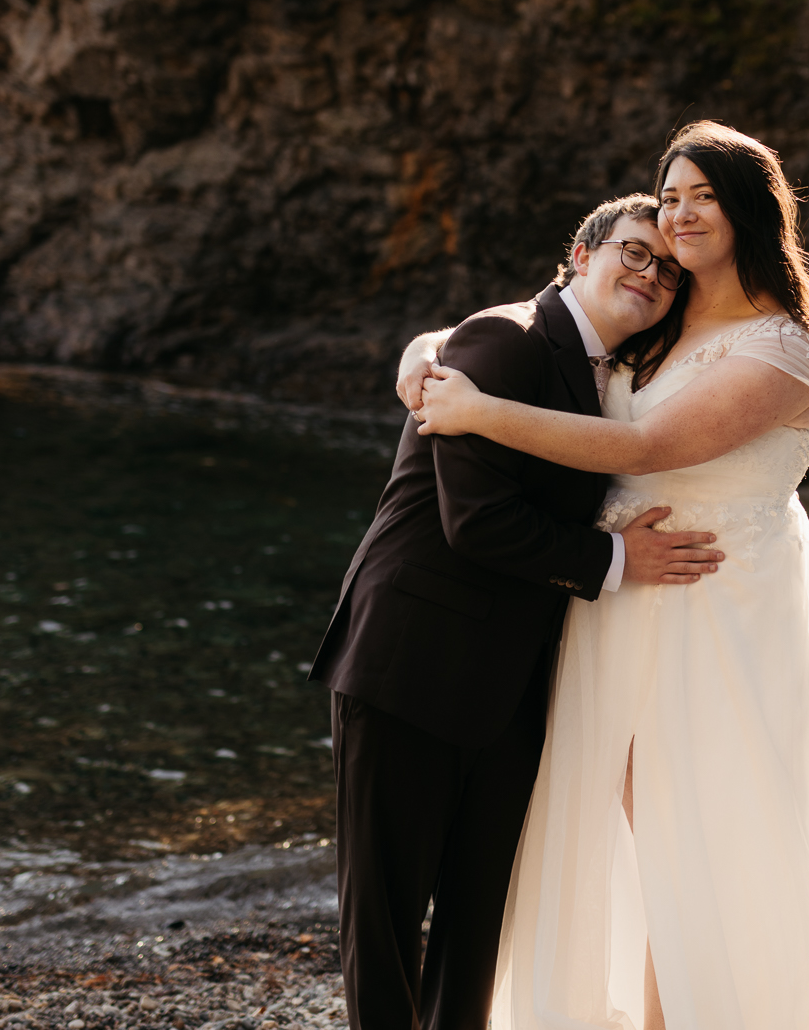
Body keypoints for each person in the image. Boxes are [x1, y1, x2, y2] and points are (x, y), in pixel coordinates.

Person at [406, 123, 809, 1030]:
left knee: (713, 818)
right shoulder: (660, 319)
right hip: (625, 597)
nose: (680, 212)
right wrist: (425, 352)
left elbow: (649, 445)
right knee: (626, 812)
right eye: (669, 197)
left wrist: (480, 410)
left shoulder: (787, 348)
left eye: (701, 194)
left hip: (725, 602)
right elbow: (548, 318)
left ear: (750, 208)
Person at [309, 193, 732, 1030]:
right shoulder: (502, 340)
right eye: (634, 252)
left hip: (513, 684)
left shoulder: (617, 370)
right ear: (581, 254)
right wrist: (619, 559)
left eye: (670, 270)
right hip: (410, 661)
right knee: (387, 923)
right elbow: (477, 519)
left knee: (481, 919)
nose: (651, 274)